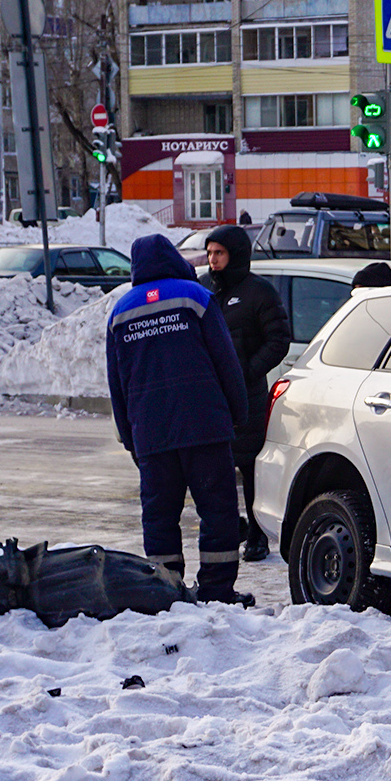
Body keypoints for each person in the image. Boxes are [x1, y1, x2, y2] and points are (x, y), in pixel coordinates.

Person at [107, 234, 252, 606]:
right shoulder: (196, 297)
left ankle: (165, 591)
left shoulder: (120, 312)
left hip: (151, 436)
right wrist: (238, 414)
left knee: (159, 517)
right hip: (205, 427)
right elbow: (226, 361)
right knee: (217, 511)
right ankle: (218, 592)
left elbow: (117, 384)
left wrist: (129, 437)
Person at [201, 225, 291, 563]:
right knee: (214, 470)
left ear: (235, 254)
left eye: (219, 253)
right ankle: (229, 528)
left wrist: (248, 372)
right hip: (212, 398)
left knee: (251, 470)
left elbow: (278, 339)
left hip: (248, 397)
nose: (213, 260)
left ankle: (257, 535)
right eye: (210, 253)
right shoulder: (205, 290)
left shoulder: (259, 292)